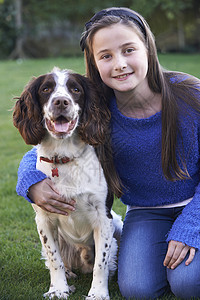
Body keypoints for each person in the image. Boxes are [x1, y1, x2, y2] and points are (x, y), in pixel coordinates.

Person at [16, 7, 200, 299]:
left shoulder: (190, 95)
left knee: (189, 285)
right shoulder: (98, 108)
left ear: (149, 49)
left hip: (195, 205)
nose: (120, 64)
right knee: (138, 289)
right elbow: (49, 147)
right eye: (106, 56)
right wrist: (30, 180)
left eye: (129, 50)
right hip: (145, 212)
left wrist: (191, 225)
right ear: (94, 62)